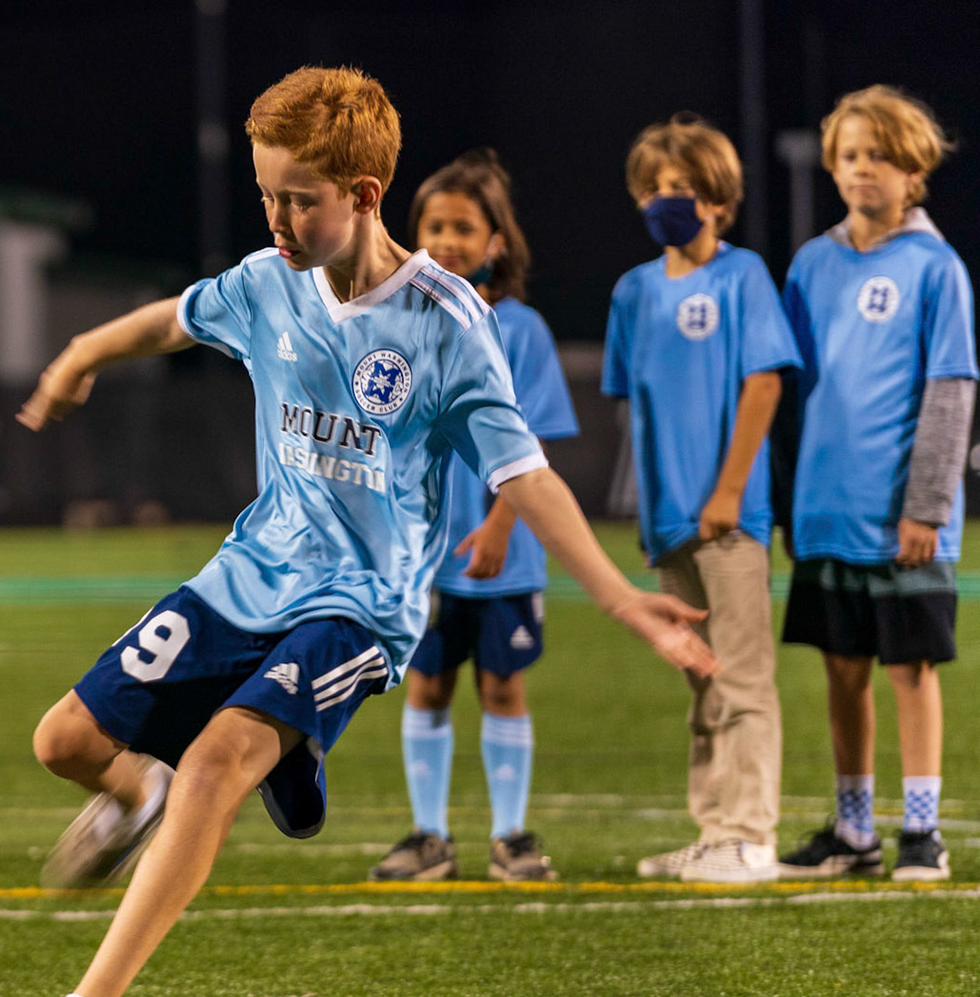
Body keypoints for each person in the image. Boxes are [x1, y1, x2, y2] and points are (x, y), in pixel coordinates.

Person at [8, 66, 716, 997]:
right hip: (250, 571)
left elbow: (524, 474)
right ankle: (140, 792)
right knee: (64, 741)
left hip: (360, 606)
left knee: (217, 760)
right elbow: (170, 321)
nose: (277, 219)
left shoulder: (445, 320)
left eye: (300, 199)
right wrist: (80, 353)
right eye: (266, 194)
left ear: (366, 193)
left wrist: (619, 597)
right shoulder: (268, 282)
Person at [776, 86, 976, 882]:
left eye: (881, 156)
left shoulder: (936, 267)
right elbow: (788, 391)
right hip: (826, 510)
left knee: (910, 670)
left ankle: (922, 831)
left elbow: (951, 389)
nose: (865, 169)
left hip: (901, 518)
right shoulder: (810, 265)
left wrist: (926, 506)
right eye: (852, 155)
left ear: (914, 171)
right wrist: (789, 500)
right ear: (833, 165)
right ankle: (854, 830)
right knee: (842, 668)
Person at [371, 149, 579, 884]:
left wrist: (497, 528)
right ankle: (429, 837)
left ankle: (510, 837)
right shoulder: (399, 323)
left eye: (464, 227)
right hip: (426, 557)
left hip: (504, 556)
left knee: (501, 687)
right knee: (427, 686)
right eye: (435, 226)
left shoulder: (521, 329)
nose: (448, 240)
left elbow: (535, 443)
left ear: (496, 241)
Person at [604, 113, 801, 886]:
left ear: (718, 199)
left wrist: (728, 490)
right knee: (702, 682)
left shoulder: (742, 275)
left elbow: (764, 384)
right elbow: (636, 408)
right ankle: (714, 828)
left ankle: (750, 837)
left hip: (730, 517)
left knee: (742, 677)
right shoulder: (632, 292)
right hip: (668, 520)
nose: (665, 198)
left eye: (682, 186)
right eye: (653, 186)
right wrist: (648, 510)